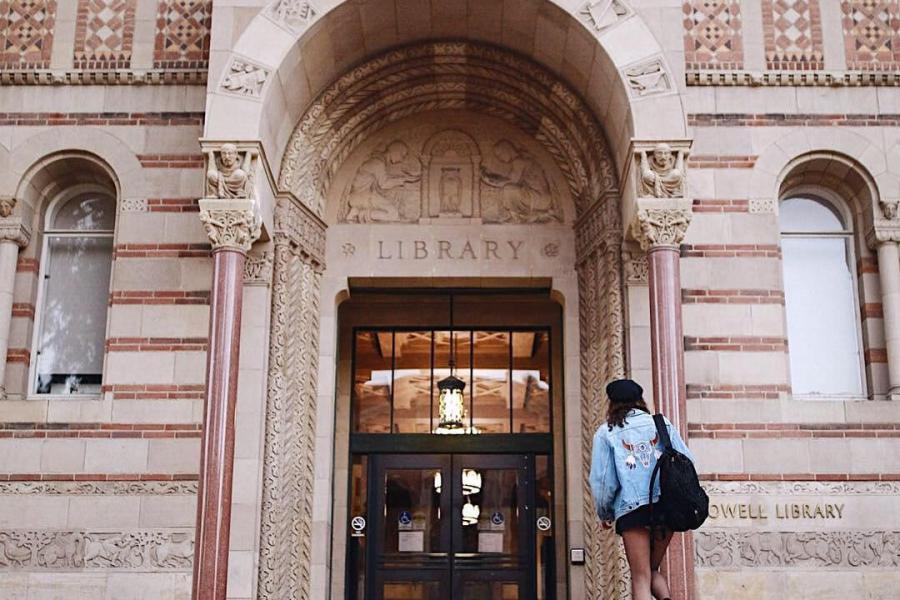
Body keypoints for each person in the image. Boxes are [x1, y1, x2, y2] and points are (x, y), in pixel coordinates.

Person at [589, 379, 694, 600]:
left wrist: (605, 512)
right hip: (667, 508)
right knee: (652, 570)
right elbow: (688, 462)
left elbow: (604, 481)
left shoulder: (607, 432)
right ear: (639, 400)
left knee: (640, 577)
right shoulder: (660, 424)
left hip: (632, 509)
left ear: (612, 403)